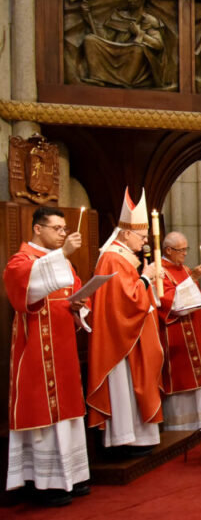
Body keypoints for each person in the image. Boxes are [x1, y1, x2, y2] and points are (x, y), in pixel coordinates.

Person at [4, 207, 90, 506]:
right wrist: (63, 254)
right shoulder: (21, 261)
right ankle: (45, 483)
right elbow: (23, 291)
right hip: (38, 354)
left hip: (64, 350)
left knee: (68, 413)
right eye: (57, 228)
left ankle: (73, 477)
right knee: (44, 415)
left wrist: (81, 306)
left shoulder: (62, 262)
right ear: (38, 229)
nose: (63, 233)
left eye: (65, 228)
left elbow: (77, 291)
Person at [87, 188, 164, 454]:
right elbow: (126, 301)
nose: (143, 242)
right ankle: (125, 439)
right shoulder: (112, 258)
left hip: (131, 335)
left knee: (135, 386)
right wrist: (146, 277)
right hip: (120, 340)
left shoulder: (122, 257)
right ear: (126, 233)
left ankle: (137, 437)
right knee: (125, 389)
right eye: (141, 237)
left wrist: (145, 279)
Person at [157, 231, 201, 431]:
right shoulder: (160, 272)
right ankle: (182, 429)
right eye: (180, 250)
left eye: (186, 249)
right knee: (183, 384)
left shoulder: (184, 269)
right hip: (177, 337)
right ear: (168, 250)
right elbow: (170, 303)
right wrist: (192, 279)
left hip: (195, 332)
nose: (184, 253)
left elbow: (192, 297)